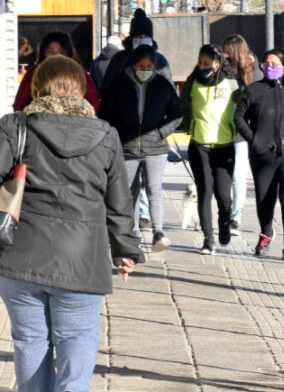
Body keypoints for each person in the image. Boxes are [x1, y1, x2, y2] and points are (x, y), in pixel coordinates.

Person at [0, 55, 144, 392]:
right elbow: (119, 202)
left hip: (20, 255)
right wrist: (126, 250)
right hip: (83, 260)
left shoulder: (15, 127)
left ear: (36, 88)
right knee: (77, 343)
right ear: (81, 90)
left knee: (30, 342)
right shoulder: (106, 135)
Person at [98, 44, 183, 252]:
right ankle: (132, 232)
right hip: (127, 147)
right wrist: (117, 134)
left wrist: (161, 133)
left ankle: (158, 232)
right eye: (141, 66)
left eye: (149, 66)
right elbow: (105, 113)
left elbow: (177, 114)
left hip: (156, 147)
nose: (145, 69)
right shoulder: (119, 84)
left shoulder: (163, 85)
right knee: (129, 192)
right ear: (133, 65)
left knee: (154, 189)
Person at [235, 49, 284, 260]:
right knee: (264, 197)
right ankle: (266, 233)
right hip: (262, 156)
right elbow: (239, 117)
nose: (270, 67)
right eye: (267, 63)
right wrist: (254, 139)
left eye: (275, 64)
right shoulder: (254, 90)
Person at [181, 44, 237, 255]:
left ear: (217, 63)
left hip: (224, 145)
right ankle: (208, 239)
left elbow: (241, 105)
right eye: (200, 62)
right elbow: (184, 106)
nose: (202, 66)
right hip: (200, 144)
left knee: (224, 195)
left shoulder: (230, 82)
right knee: (204, 192)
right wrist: (189, 126)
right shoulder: (193, 82)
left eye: (207, 63)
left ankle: (225, 220)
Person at [221, 34, 263, 235]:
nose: (224, 55)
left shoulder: (255, 72)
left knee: (238, 174)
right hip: (221, 128)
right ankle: (226, 213)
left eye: (227, 52)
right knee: (225, 174)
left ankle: (235, 217)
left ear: (236, 52)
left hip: (242, 131)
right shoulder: (225, 70)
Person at [13, 31, 100, 112]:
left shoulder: (77, 72)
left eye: (60, 52)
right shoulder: (35, 72)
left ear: (68, 53)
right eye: (50, 51)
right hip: (41, 122)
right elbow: (20, 103)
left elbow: (92, 101)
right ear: (43, 53)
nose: (55, 55)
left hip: (73, 123)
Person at [99, 8, 172, 97]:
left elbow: (169, 89)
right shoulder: (120, 59)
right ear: (132, 37)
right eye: (139, 36)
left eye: (146, 36)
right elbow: (107, 88)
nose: (142, 39)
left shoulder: (160, 60)